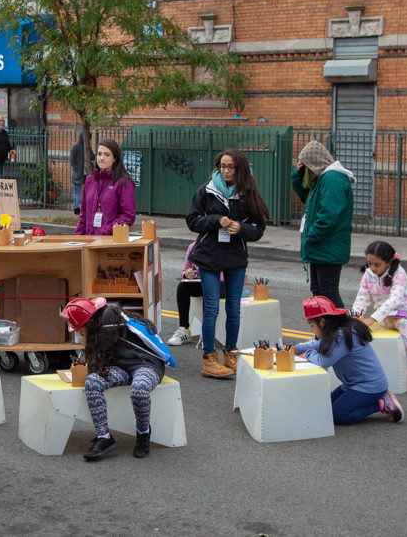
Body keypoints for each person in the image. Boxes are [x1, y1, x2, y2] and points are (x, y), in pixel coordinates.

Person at [185, 148, 267, 378]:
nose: (226, 171)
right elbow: (192, 220)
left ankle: (231, 352)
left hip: (235, 257)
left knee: (234, 308)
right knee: (211, 308)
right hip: (209, 256)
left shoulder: (247, 192)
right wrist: (215, 220)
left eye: (230, 167)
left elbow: (258, 228)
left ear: (240, 168)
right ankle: (209, 358)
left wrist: (241, 228)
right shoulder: (206, 190)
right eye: (222, 166)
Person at [60, 298, 173, 460]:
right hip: (124, 367)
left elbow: (98, 360)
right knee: (93, 382)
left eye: (79, 329)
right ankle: (104, 437)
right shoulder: (102, 322)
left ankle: (143, 433)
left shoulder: (107, 324)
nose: (79, 333)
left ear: (89, 321)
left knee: (139, 390)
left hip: (146, 364)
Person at [291, 296, 403, 425]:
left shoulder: (342, 335)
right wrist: (297, 348)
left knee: (338, 415)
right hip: (353, 384)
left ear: (322, 322)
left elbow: (324, 361)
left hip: (369, 386)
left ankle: (381, 403)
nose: (313, 331)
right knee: (325, 407)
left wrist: (308, 354)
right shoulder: (337, 330)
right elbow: (318, 344)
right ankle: (374, 400)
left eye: (312, 326)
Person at [351, 240, 407, 391]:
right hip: (387, 316)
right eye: (369, 263)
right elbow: (362, 299)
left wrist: (372, 319)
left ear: (389, 262)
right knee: (404, 325)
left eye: (377, 265)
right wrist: (355, 315)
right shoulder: (368, 275)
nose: (372, 268)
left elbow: (395, 300)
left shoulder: (399, 273)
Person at [290, 140, 355, 308]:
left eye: (305, 166)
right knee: (319, 291)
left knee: (328, 292)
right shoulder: (324, 179)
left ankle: (340, 331)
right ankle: (326, 331)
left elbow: (328, 216)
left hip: (327, 246)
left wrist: (311, 237)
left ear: (313, 164)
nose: (305, 170)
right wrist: (297, 174)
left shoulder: (333, 179)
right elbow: (305, 194)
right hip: (322, 246)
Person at [166, 241, 225, 347]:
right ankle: (184, 329)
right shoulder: (193, 247)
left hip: (220, 282)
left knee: (208, 289)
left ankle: (206, 332)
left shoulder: (221, 245)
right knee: (182, 286)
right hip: (200, 281)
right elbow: (184, 270)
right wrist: (187, 274)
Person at [76, 139, 135, 236]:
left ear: (115, 158)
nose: (101, 158)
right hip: (88, 240)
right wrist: (78, 238)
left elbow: (128, 216)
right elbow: (83, 214)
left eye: (107, 155)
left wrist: (105, 231)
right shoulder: (90, 180)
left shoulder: (123, 182)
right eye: (99, 154)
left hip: (109, 242)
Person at [69, 132, 94, 215]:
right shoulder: (75, 146)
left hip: (85, 174)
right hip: (78, 174)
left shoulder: (87, 147)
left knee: (86, 191)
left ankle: (84, 208)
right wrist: (76, 168)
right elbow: (72, 160)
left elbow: (93, 156)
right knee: (77, 191)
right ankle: (76, 208)